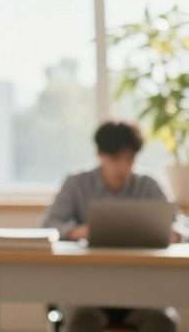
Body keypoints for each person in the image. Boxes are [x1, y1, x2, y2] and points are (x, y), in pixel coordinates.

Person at [42, 120, 181, 332]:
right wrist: (78, 231)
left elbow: (181, 226)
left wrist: (174, 235)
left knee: (163, 321)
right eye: (116, 159)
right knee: (80, 320)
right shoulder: (76, 184)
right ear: (100, 154)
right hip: (86, 291)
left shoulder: (148, 185)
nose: (123, 166)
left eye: (130, 159)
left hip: (142, 291)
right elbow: (49, 225)